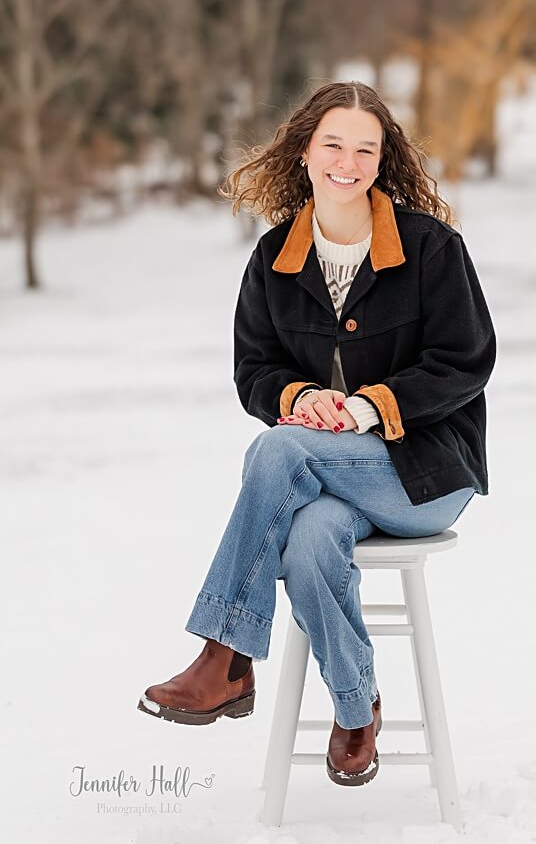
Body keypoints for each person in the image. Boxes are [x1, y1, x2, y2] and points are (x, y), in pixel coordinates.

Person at [138, 81, 496, 787]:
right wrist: (299, 395)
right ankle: (356, 708)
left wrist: (365, 409)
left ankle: (226, 654)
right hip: (324, 481)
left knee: (278, 447)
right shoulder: (275, 257)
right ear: (306, 152)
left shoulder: (429, 249)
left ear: (382, 158)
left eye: (366, 148)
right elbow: (253, 370)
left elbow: (467, 362)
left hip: (423, 475)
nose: (348, 160)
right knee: (306, 540)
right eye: (333, 143)